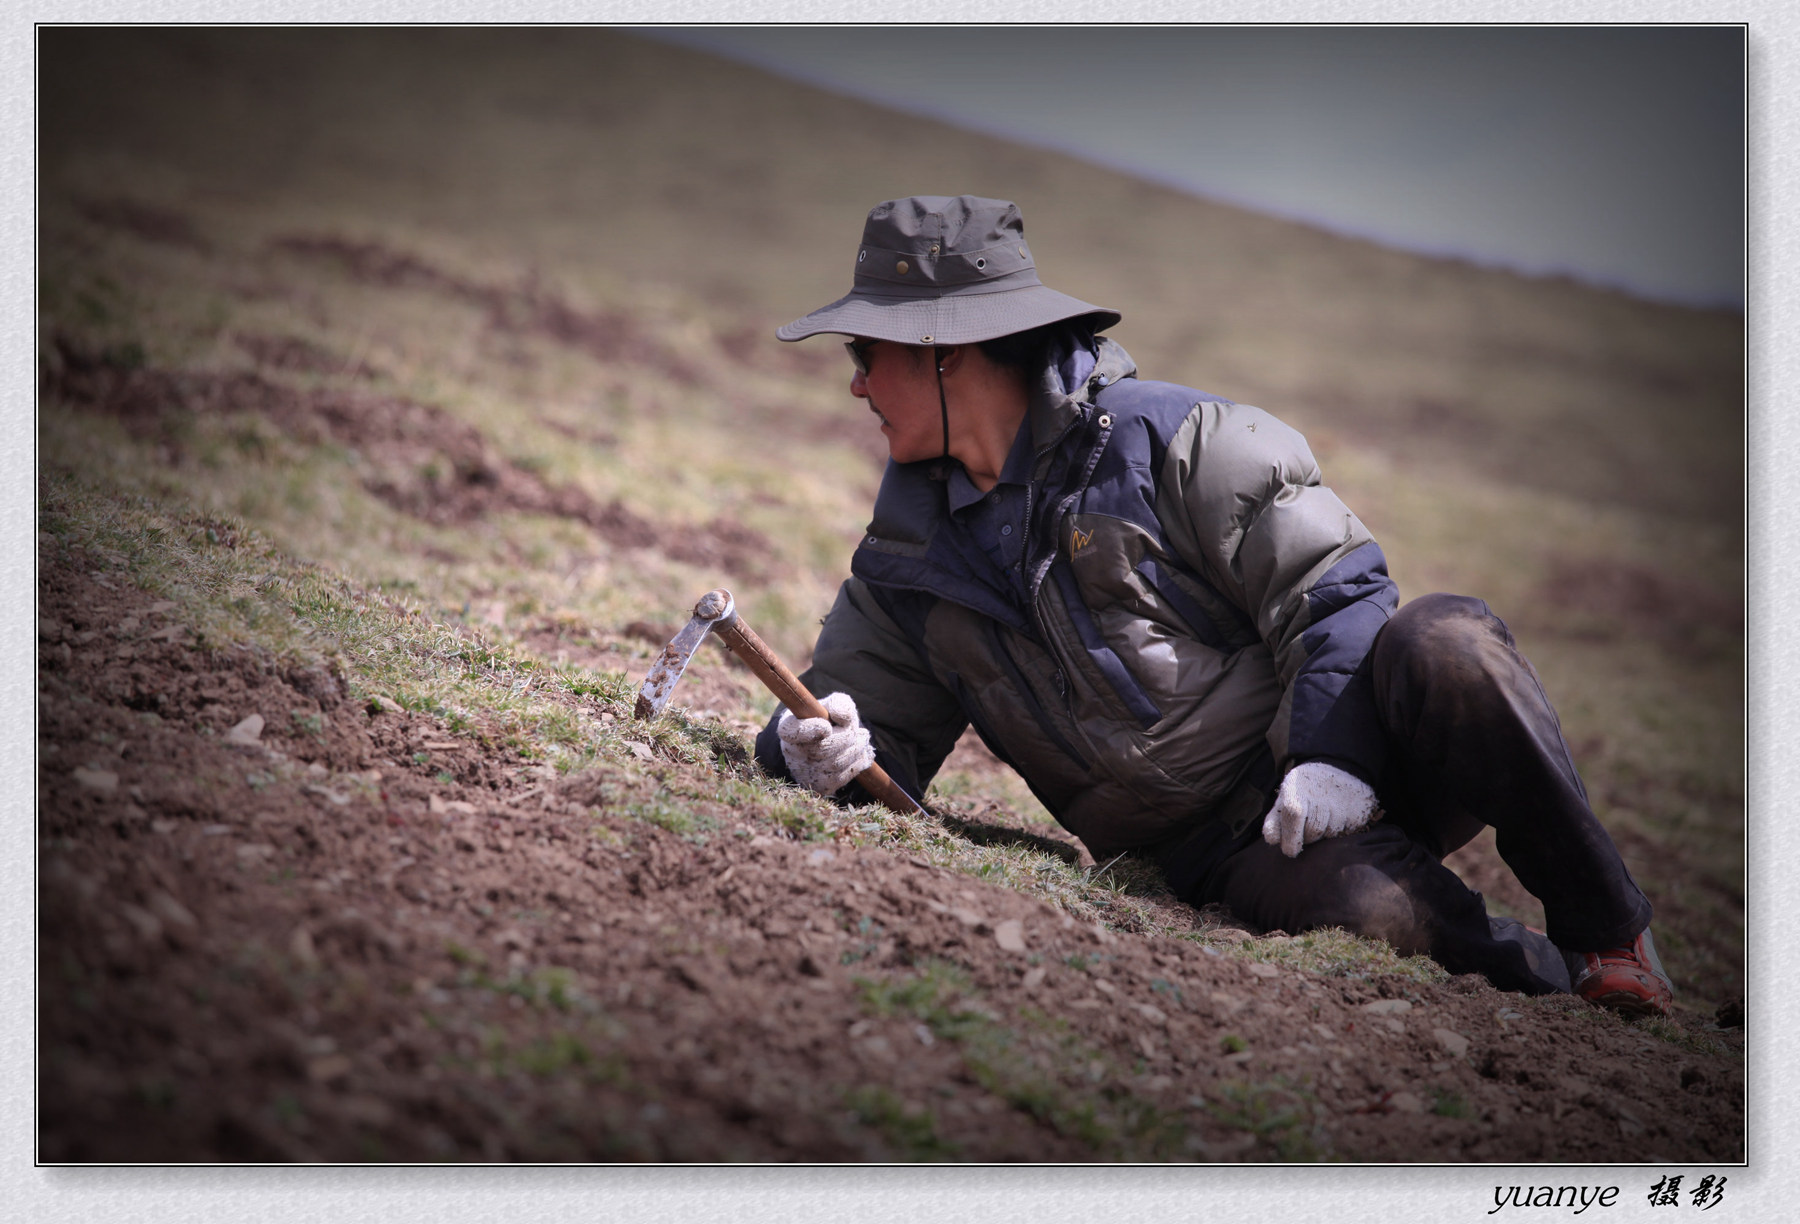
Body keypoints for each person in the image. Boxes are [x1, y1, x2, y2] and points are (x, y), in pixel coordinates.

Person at [752, 195, 1672, 1017]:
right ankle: (1565, 988)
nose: (857, 383)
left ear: (943, 353)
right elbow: (861, 727)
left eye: (868, 354)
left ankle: (1611, 939)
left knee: (1451, 643)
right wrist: (812, 751)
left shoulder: (1184, 441)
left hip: (1352, 738)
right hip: (1223, 849)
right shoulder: (906, 553)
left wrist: (1332, 759)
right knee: (1361, 913)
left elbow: (1339, 593)